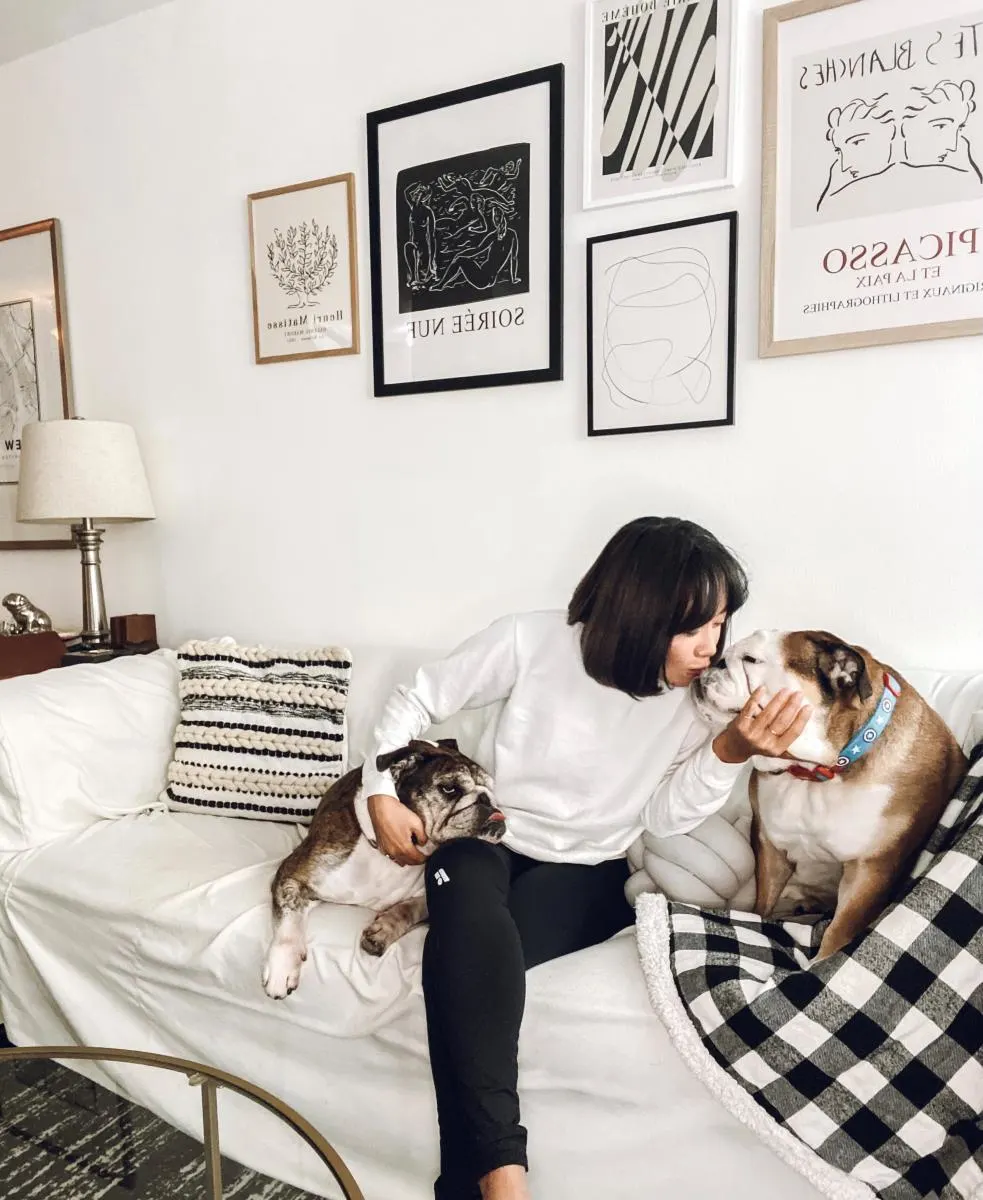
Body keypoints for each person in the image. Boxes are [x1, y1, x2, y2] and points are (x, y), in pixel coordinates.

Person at [358, 516, 811, 1200]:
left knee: (464, 969)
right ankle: (504, 1180)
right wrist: (377, 791)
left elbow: (662, 818)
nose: (710, 648)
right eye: (697, 628)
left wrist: (727, 755)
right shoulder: (529, 641)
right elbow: (416, 697)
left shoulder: (701, 702)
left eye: (720, 625)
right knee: (466, 907)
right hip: (490, 839)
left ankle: (467, 1181)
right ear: (640, 612)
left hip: (590, 873)